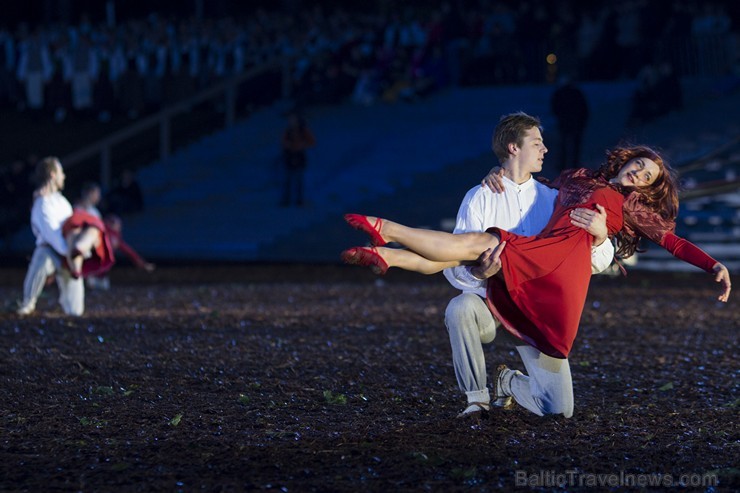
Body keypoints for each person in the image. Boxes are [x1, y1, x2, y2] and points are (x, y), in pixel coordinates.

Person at [341, 145, 732, 416]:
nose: (638, 174)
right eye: (638, 165)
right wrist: (499, 172)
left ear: (647, 187)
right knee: (473, 245)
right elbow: (527, 183)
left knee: (558, 409)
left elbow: (672, 240)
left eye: (646, 176)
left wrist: (712, 265)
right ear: (625, 160)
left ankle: (508, 382)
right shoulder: (576, 177)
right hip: (540, 251)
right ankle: (387, 235)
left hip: (562, 278)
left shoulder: (633, 208)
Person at [442, 112, 614, 419]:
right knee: (460, 308)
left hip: (538, 315)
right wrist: (479, 273)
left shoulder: (555, 201)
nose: (545, 149)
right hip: (491, 304)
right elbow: (453, 260)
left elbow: (593, 264)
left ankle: (506, 382)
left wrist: (600, 237)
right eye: (537, 143)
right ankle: (476, 400)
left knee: (558, 410)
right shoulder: (480, 197)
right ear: (513, 148)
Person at [16, 157, 114, 316]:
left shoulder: (61, 201)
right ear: (53, 175)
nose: (64, 176)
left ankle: (67, 299)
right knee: (42, 255)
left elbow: (72, 226)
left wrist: (77, 252)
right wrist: (71, 254)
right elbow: (51, 236)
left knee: (76, 311)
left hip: (69, 253)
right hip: (54, 251)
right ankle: (28, 303)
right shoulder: (42, 203)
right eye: (61, 172)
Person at [550, 76, 589, 173]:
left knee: (566, 144)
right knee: (570, 144)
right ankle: (570, 165)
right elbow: (584, 108)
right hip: (572, 123)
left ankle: (566, 165)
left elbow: (555, 107)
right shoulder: (575, 93)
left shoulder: (562, 93)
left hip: (569, 123)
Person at [280, 110, 315, 207]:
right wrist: (288, 145)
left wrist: (302, 145)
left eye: (293, 119)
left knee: (299, 180)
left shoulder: (303, 130)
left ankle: (299, 200)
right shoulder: (287, 131)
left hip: (299, 157)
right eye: (290, 120)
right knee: (288, 179)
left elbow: (311, 142)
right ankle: (286, 200)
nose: (291, 121)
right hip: (289, 157)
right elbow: (283, 142)